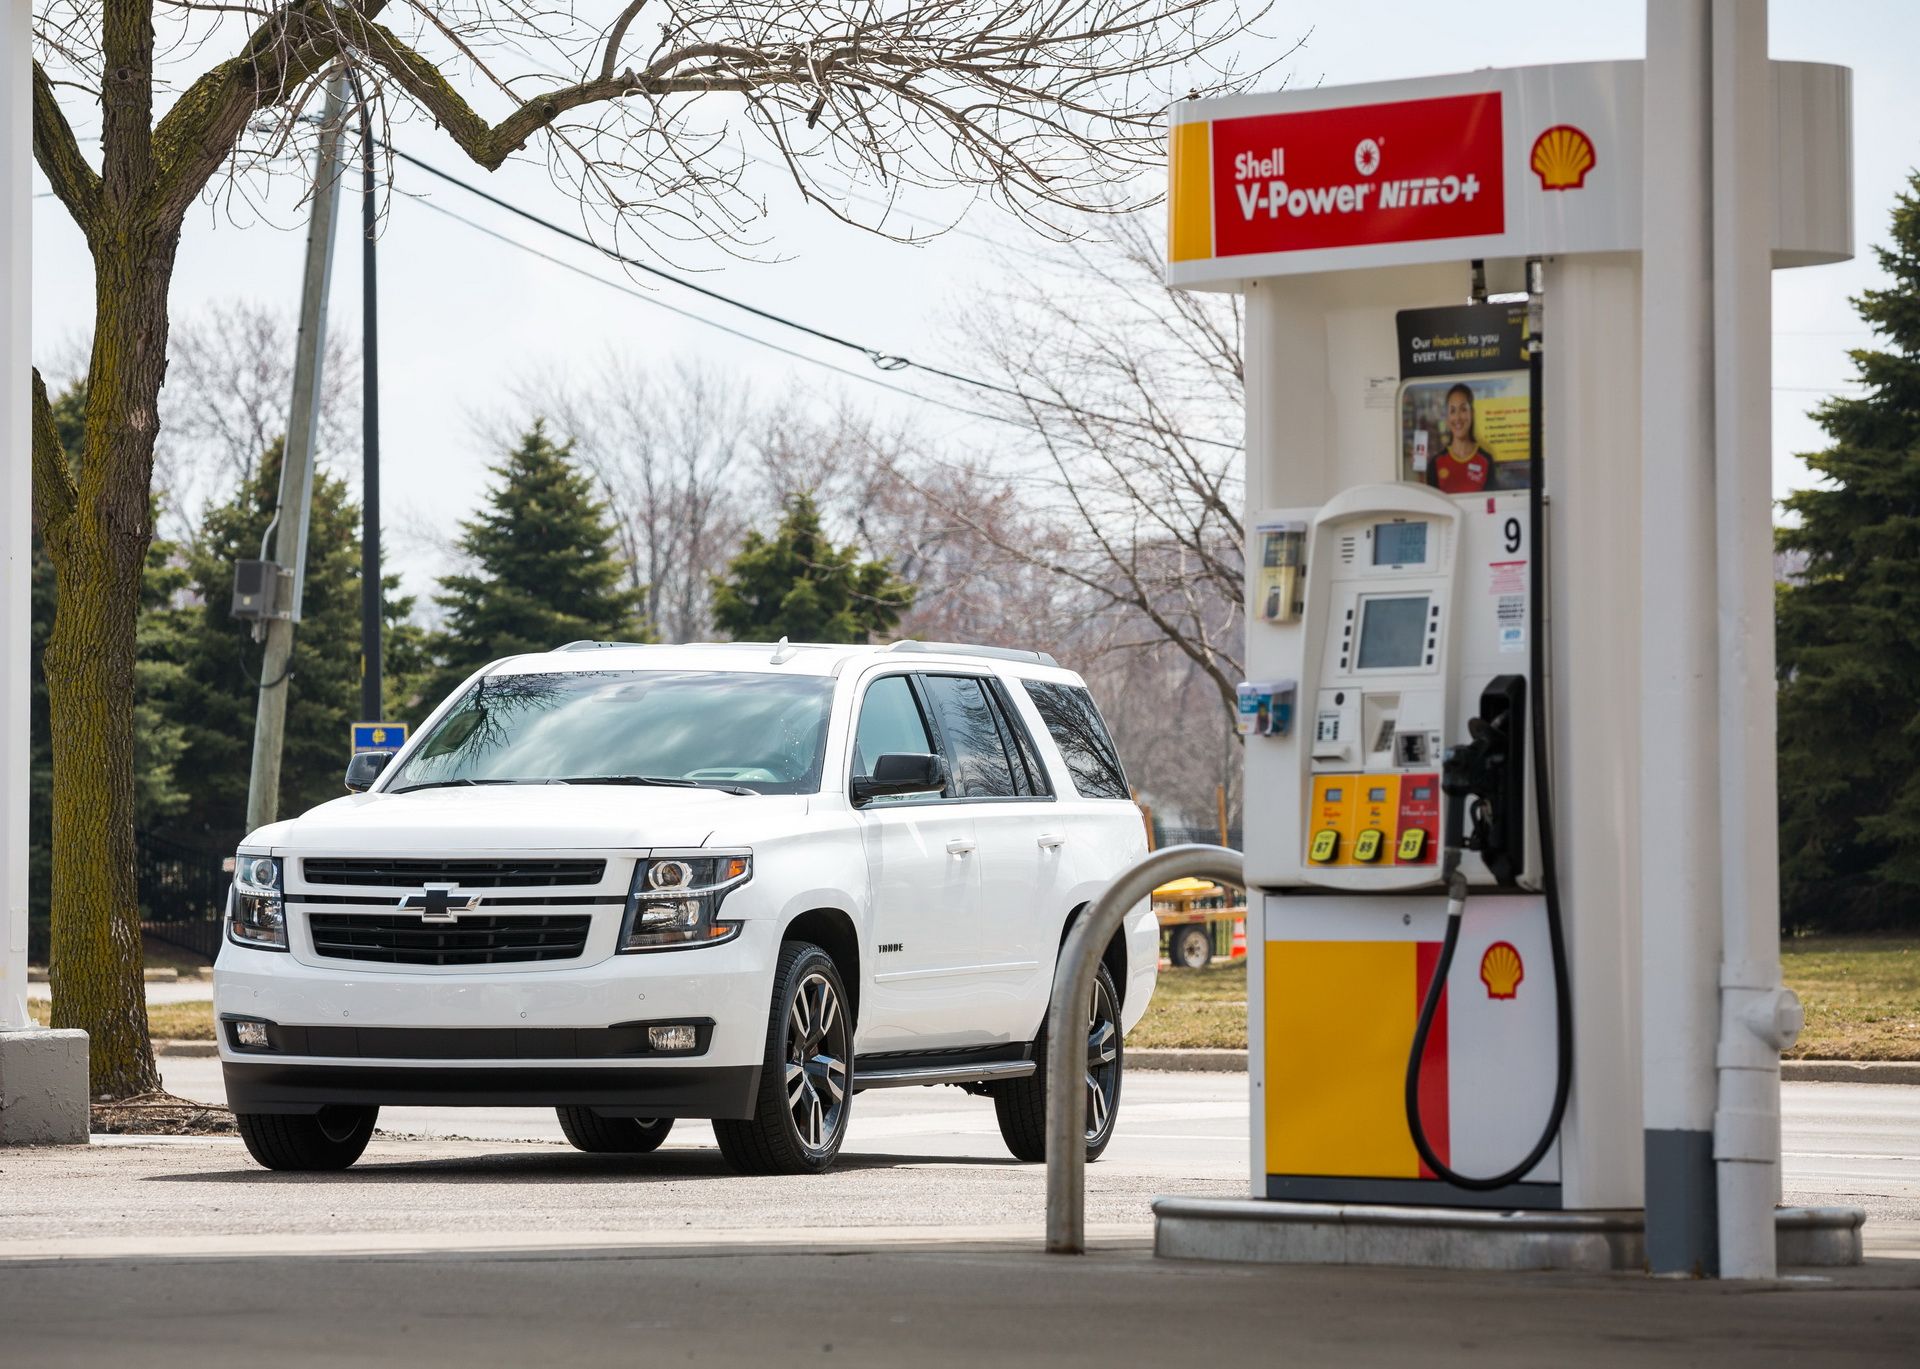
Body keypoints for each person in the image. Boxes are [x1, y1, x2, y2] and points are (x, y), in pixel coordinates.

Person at [1430, 383, 1490, 493]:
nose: (1457, 417)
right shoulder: (1436, 463)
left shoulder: (1486, 461)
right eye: (1452, 411)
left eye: (1463, 409)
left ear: (1471, 413)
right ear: (1447, 418)